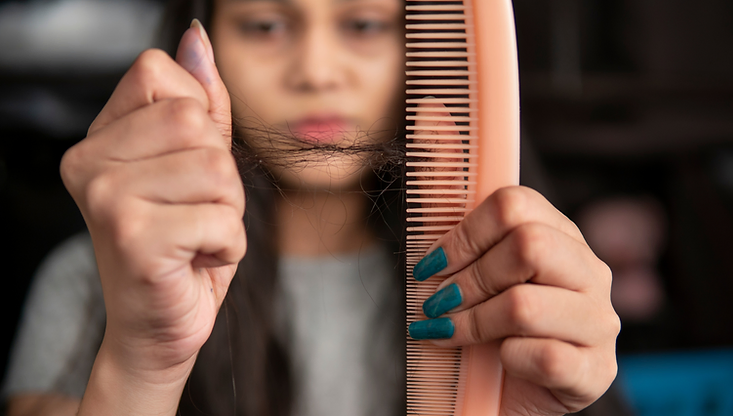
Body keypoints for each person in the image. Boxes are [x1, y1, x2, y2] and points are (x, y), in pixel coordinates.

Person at [2, 0, 622, 415]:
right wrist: (140, 365)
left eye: (363, 24)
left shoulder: (507, 292)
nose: (318, 72)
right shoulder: (94, 283)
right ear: (205, 41)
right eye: (267, 25)